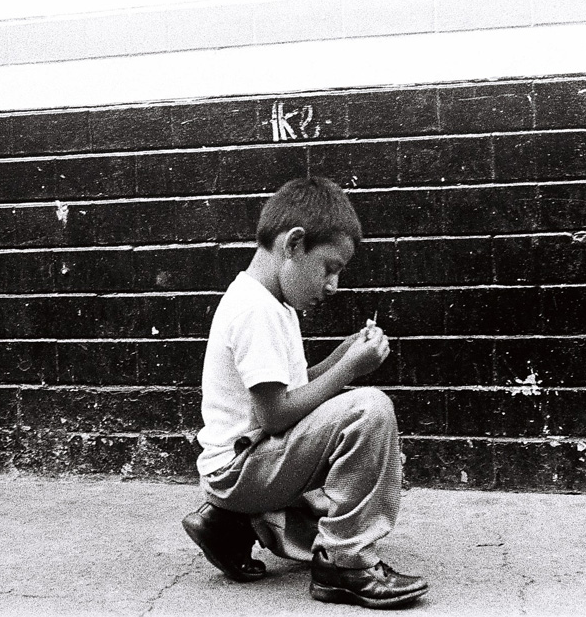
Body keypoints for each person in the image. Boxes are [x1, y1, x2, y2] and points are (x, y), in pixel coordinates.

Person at [181, 176, 428, 609]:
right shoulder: (256, 310)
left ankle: (229, 526)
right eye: (328, 267)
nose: (333, 285)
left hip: (245, 463)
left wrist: (340, 356)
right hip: (241, 468)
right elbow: (277, 415)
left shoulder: (271, 300)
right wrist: (352, 370)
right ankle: (343, 565)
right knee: (370, 409)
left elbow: (288, 391)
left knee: (326, 508)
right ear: (293, 245)